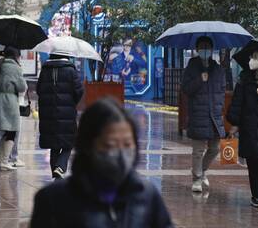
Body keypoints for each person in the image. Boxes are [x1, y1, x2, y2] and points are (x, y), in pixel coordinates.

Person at [30, 98, 173, 228]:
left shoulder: (147, 195)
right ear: (88, 145)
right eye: (110, 145)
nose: (120, 153)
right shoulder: (53, 200)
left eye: (127, 144)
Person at [181, 36, 226, 193]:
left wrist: (220, 110)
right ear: (198, 49)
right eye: (202, 47)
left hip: (214, 115)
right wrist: (200, 79)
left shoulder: (218, 69)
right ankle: (197, 179)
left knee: (215, 148)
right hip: (198, 114)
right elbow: (185, 89)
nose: (205, 49)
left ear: (212, 49)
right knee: (198, 150)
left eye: (207, 46)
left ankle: (202, 170)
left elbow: (221, 92)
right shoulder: (191, 68)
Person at [227, 50, 258, 208]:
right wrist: (235, 123)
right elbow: (237, 101)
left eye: (255, 57)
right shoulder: (244, 78)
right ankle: (257, 195)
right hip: (249, 127)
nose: (252, 60)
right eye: (251, 57)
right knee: (253, 162)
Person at [37, 53, 83, 179]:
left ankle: (56, 174)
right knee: (68, 143)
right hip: (67, 113)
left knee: (54, 146)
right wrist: (71, 102)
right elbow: (79, 91)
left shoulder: (45, 70)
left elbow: (39, 89)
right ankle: (61, 167)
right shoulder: (70, 71)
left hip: (48, 114)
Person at [0, 50, 25, 167]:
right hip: (10, 101)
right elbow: (22, 87)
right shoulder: (15, 68)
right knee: (12, 129)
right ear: (16, 56)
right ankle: (4, 160)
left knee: (5, 128)